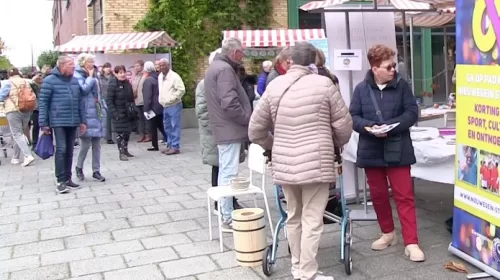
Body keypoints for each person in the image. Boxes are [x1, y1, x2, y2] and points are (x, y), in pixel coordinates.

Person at [248, 42, 353, 280]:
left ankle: (297, 267)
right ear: (313, 62)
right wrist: (334, 142)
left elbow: (255, 131)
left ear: (290, 61)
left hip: (285, 164)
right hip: (316, 162)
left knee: (293, 216)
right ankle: (307, 273)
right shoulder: (324, 84)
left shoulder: (274, 87)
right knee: (313, 219)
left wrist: (273, 145)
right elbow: (344, 126)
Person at [349, 44, 424, 262]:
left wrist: (390, 126)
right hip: (371, 149)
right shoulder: (361, 90)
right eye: (388, 66)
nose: (393, 70)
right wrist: (369, 127)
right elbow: (353, 116)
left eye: (394, 65)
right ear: (375, 68)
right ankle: (388, 233)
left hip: (398, 148)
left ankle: (411, 242)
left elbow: (412, 113)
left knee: (404, 196)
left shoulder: (402, 86)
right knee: (379, 196)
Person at [204, 38, 252, 230]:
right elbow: (229, 103)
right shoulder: (224, 69)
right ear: (234, 53)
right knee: (229, 173)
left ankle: (226, 213)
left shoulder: (216, 67)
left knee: (226, 171)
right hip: (230, 129)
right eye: (242, 51)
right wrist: (246, 119)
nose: (244, 55)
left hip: (224, 128)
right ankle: (227, 216)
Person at [196, 49, 244, 211]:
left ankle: (228, 201)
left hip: (222, 131)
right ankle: (222, 204)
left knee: (225, 169)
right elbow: (202, 112)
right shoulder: (205, 85)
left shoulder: (220, 79)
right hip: (216, 132)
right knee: (221, 168)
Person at [39, 56, 87, 193]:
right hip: (58, 120)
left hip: (73, 121)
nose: (74, 67)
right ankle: (60, 181)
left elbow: (80, 102)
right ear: (62, 66)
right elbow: (43, 103)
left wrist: (82, 121)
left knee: (70, 151)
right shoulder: (49, 81)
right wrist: (44, 124)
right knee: (62, 149)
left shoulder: (74, 81)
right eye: (71, 64)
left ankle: (68, 178)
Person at [73, 53, 106, 182]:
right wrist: (91, 77)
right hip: (86, 112)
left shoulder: (95, 74)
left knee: (97, 144)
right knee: (85, 144)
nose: (92, 63)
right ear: (83, 62)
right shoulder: (78, 74)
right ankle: (79, 167)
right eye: (89, 61)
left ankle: (96, 170)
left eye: (93, 61)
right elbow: (84, 89)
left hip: (96, 111)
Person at [0, 68, 36, 167]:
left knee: (16, 134)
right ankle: (15, 157)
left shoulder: (7, 83)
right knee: (20, 133)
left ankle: (28, 155)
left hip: (13, 110)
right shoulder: (26, 81)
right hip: (26, 109)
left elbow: (1, 96)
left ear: (9, 74)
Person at [106, 65, 136, 161]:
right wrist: (114, 113)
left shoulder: (127, 83)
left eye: (124, 72)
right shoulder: (112, 84)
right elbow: (109, 100)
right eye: (120, 73)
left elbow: (131, 97)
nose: (122, 75)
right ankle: (121, 152)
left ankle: (126, 149)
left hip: (127, 112)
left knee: (127, 132)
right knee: (120, 133)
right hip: (118, 112)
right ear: (115, 74)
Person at [158, 58, 185, 155]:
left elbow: (181, 90)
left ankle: (175, 146)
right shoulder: (160, 76)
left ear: (168, 65)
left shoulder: (174, 76)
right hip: (165, 106)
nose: (161, 67)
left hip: (174, 105)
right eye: (160, 65)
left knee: (174, 126)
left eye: (163, 65)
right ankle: (169, 145)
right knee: (167, 127)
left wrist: (172, 98)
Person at [142, 61, 166, 151]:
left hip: (152, 107)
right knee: (160, 125)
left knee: (153, 126)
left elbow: (147, 96)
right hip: (160, 105)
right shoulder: (159, 78)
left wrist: (146, 108)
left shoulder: (148, 80)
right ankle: (168, 140)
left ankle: (155, 145)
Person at [132, 60, 150, 143]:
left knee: (147, 118)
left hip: (144, 100)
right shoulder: (135, 76)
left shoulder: (145, 75)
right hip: (137, 100)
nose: (136, 67)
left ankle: (148, 135)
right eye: (135, 66)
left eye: (137, 66)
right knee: (140, 119)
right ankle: (142, 135)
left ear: (142, 66)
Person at [100, 62, 115, 144]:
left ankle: (113, 136)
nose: (108, 68)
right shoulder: (100, 78)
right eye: (106, 67)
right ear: (103, 68)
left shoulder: (113, 77)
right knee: (106, 119)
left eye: (109, 67)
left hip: (112, 99)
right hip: (104, 100)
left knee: (112, 119)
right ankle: (108, 137)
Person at [29, 72, 43, 148]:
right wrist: (34, 78)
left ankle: (47, 143)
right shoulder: (33, 86)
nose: (40, 78)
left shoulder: (45, 85)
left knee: (48, 127)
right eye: (39, 77)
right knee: (36, 126)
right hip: (36, 109)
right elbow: (29, 83)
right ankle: (35, 143)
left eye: (41, 76)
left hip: (44, 108)